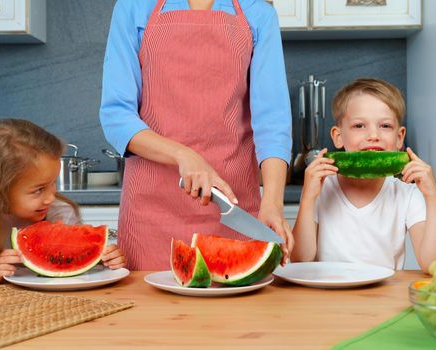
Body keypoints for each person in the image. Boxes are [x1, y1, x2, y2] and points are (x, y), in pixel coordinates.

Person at [100, 0, 293, 270]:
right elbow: (116, 116)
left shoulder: (257, 13)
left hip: (233, 209)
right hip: (150, 213)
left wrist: (272, 202)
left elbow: (272, 122)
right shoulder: (134, 7)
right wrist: (184, 155)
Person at [291, 78, 436, 272]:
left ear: (399, 137)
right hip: (327, 297)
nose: (373, 135)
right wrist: (308, 196)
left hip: (383, 298)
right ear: (338, 136)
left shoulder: (406, 191)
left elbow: (434, 265)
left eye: (385, 126)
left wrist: (431, 197)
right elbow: (299, 259)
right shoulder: (322, 186)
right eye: (359, 126)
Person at [0, 119, 126, 283]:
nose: (51, 198)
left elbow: (71, 262)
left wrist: (102, 258)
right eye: (39, 189)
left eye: (53, 183)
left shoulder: (59, 211)